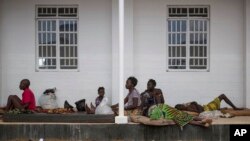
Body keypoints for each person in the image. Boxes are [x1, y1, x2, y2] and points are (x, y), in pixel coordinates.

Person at [148, 104, 212, 128]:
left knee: (187, 119)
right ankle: (202, 120)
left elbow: (153, 117)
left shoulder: (152, 112)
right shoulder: (158, 108)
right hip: (167, 110)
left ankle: (202, 123)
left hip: (168, 111)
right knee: (188, 117)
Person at [175, 94, 243, 113]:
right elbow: (200, 111)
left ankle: (219, 108)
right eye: (181, 105)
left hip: (208, 105)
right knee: (222, 96)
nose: (182, 104)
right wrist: (194, 103)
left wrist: (191, 103)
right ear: (181, 108)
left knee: (222, 96)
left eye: (181, 104)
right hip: (209, 108)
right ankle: (235, 108)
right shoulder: (188, 109)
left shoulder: (187, 106)